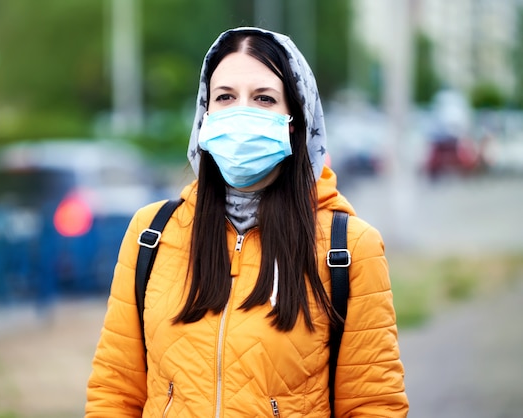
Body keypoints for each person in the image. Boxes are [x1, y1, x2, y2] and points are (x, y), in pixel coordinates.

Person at [85, 27, 409, 417]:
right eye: (225, 97)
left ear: (294, 119)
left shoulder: (349, 248)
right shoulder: (152, 232)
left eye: (264, 98)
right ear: (205, 115)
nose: (242, 112)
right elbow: (114, 391)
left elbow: (373, 405)